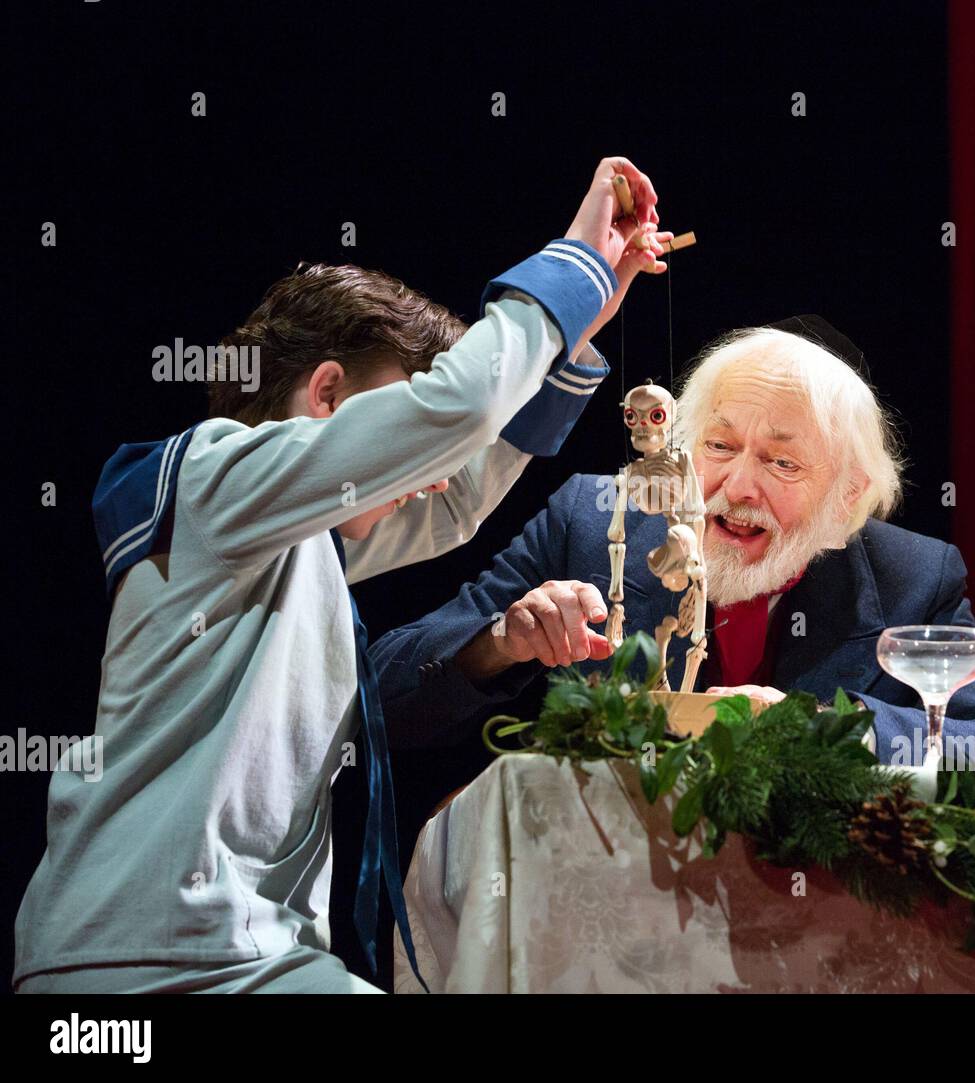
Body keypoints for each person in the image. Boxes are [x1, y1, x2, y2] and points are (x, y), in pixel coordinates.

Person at [13, 157, 671, 994]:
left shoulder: (294, 539)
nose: (429, 468)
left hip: (224, 958)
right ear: (328, 393)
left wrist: (574, 332)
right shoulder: (217, 478)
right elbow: (459, 413)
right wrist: (573, 259)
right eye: (404, 413)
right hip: (143, 964)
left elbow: (456, 494)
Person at [371, 320, 975, 806]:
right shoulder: (589, 518)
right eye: (719, 445)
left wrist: (807, 726)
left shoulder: (914, 577)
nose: (738, 486)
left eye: (782, 461)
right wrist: (498, 644)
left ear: (847, 498)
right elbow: (384, 697)